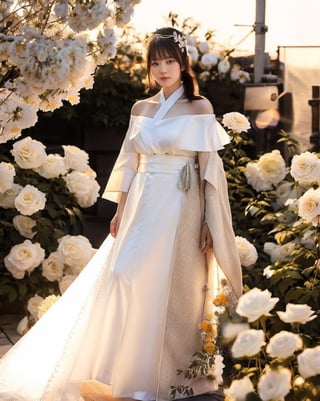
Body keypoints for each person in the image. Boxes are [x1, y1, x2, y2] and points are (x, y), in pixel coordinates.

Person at [0, 27, 242, 401]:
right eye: (156, 63)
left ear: (183, 65)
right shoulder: (141, 108)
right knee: (126, 274)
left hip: (183, 206)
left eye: (170, 62)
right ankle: (125, 371)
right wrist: (120, 210)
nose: (163, 70)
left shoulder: (200, 107)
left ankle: (167, 376)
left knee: (173, 287)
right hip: (142, 206)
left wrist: (210, 220)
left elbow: (210, 171)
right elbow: (129, 163)